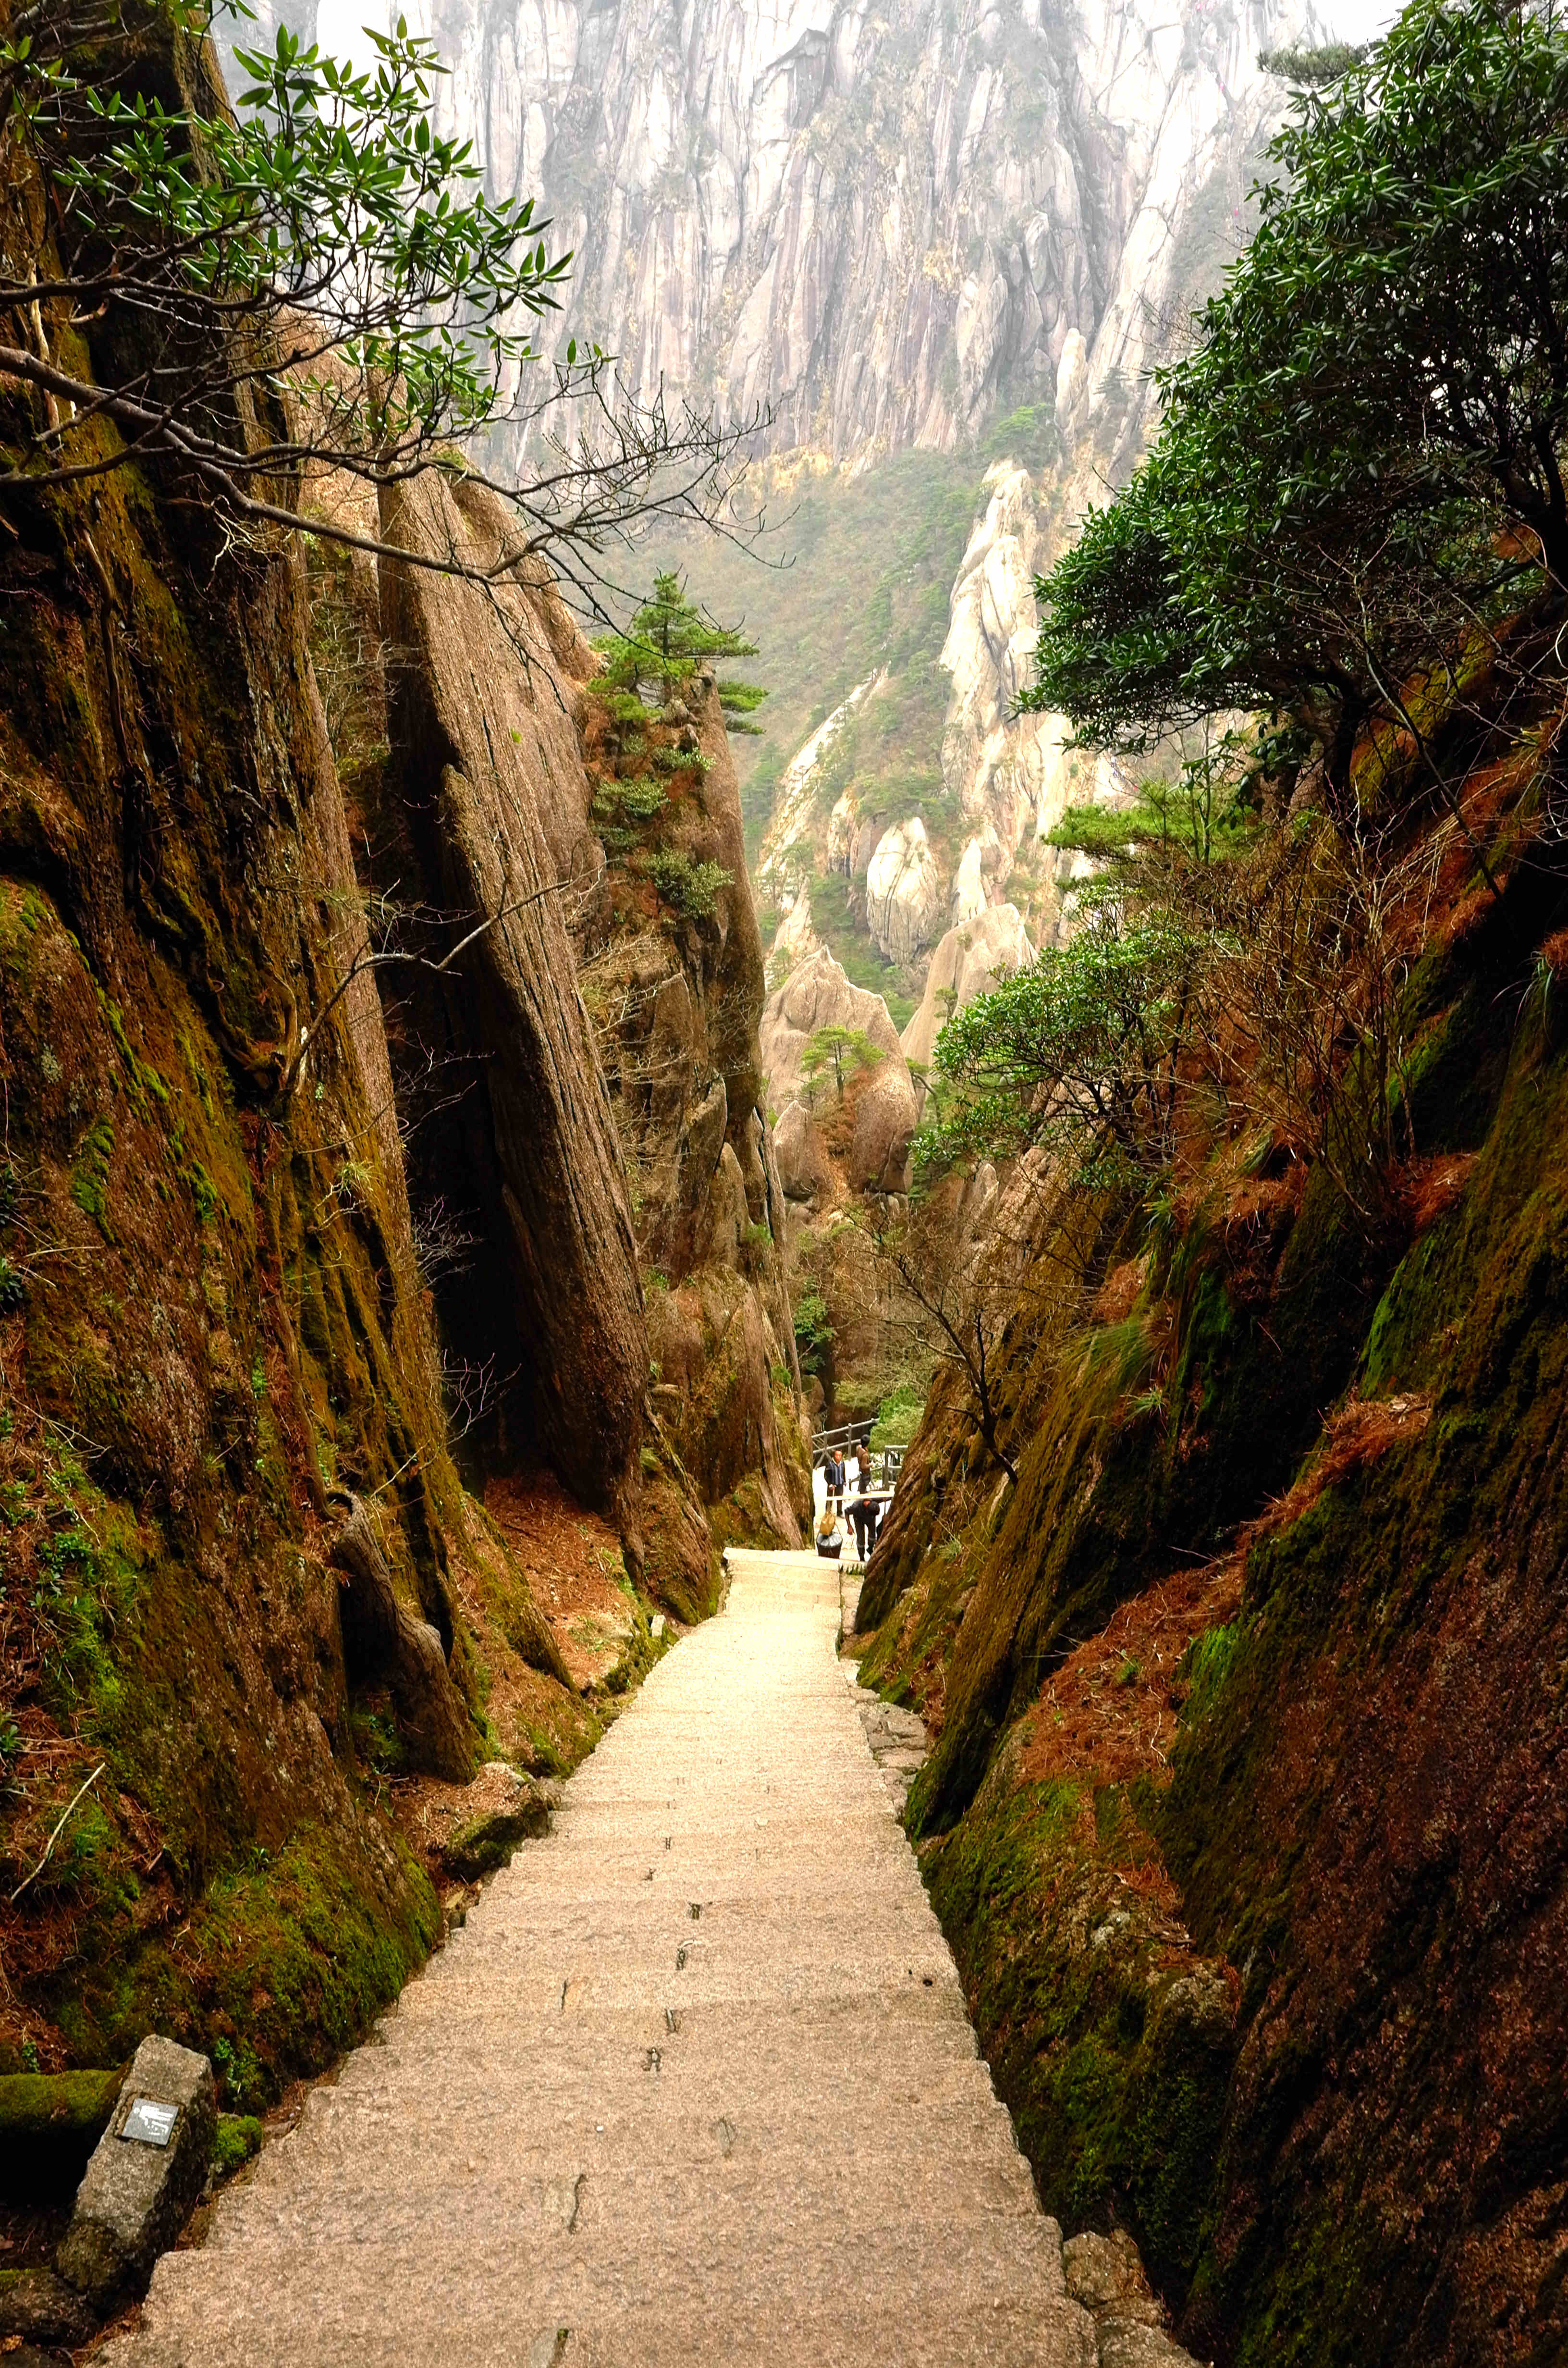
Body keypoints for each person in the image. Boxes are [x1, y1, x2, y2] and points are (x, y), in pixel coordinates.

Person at [848, 1441, 880, 1559]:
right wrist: (849, 1526)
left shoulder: (859, 1450)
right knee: (861, 1538)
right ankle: (861, 1557)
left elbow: (883, 1498)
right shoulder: (856, 1506)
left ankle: (871, 1549)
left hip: (869, 1518)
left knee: (872, 1534)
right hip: (859, 1518)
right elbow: (847, 1511)